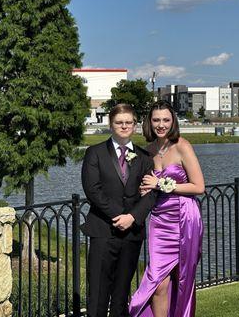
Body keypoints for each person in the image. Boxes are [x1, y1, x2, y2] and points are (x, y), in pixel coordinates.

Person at [129, 100, 205, 317]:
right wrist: (145, 190)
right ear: (149, 122)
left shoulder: (182, 146)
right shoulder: (150, 150)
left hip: (184, 218)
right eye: (156, 120)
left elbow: (199, 187)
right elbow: (150, 185)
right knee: (157, 282)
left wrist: (160, 184)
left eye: (165, 120)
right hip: (159, 221)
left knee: (182, 277)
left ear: (173, 122)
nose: (161, 124)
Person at [81, 103, 157, 317]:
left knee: (122, 294)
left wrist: (132, 217)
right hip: (103, 230)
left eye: (128, 122)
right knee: (97, 293)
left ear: (134, 125)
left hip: (132, 234)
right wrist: (119, 216)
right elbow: (93, 190)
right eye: (119, 122)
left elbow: (151, 193)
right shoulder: (94, 153)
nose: (124, 126)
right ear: (111, 124)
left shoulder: (144, 158)